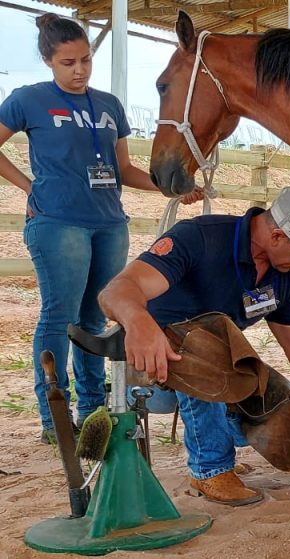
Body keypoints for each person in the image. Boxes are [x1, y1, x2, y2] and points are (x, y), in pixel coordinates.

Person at [99, 186, 290, 506]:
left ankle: (218, 436)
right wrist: (140, 322)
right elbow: (115, 292)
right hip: (148, 361)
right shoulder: (200, 238)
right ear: (278, 236)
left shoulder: (285, 278)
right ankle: (208, 469)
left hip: (215, 365)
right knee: (209, 355)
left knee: (285, 405)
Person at [0, 14, 200, 444]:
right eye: (68, 62)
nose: (79, 70)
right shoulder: (28, 99)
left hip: (110, 224)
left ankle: (93, 412)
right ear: (49, 62)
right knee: (59, 317)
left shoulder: (109, 104)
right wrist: (28, 187)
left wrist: (172, 188)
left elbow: (124, 168)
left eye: (86, 60)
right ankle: (54, 418)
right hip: (58, 224)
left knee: (96, 318)